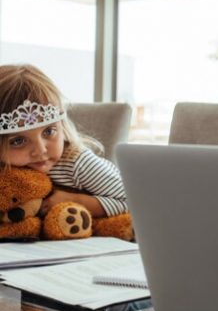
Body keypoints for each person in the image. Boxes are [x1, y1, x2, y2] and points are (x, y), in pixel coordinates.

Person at [0, 64, 127, 218]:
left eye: (49, 131)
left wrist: (76, 201)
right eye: (18, 140)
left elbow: (134, 201)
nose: (40, 150)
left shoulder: (78, 164)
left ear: (62, 126)